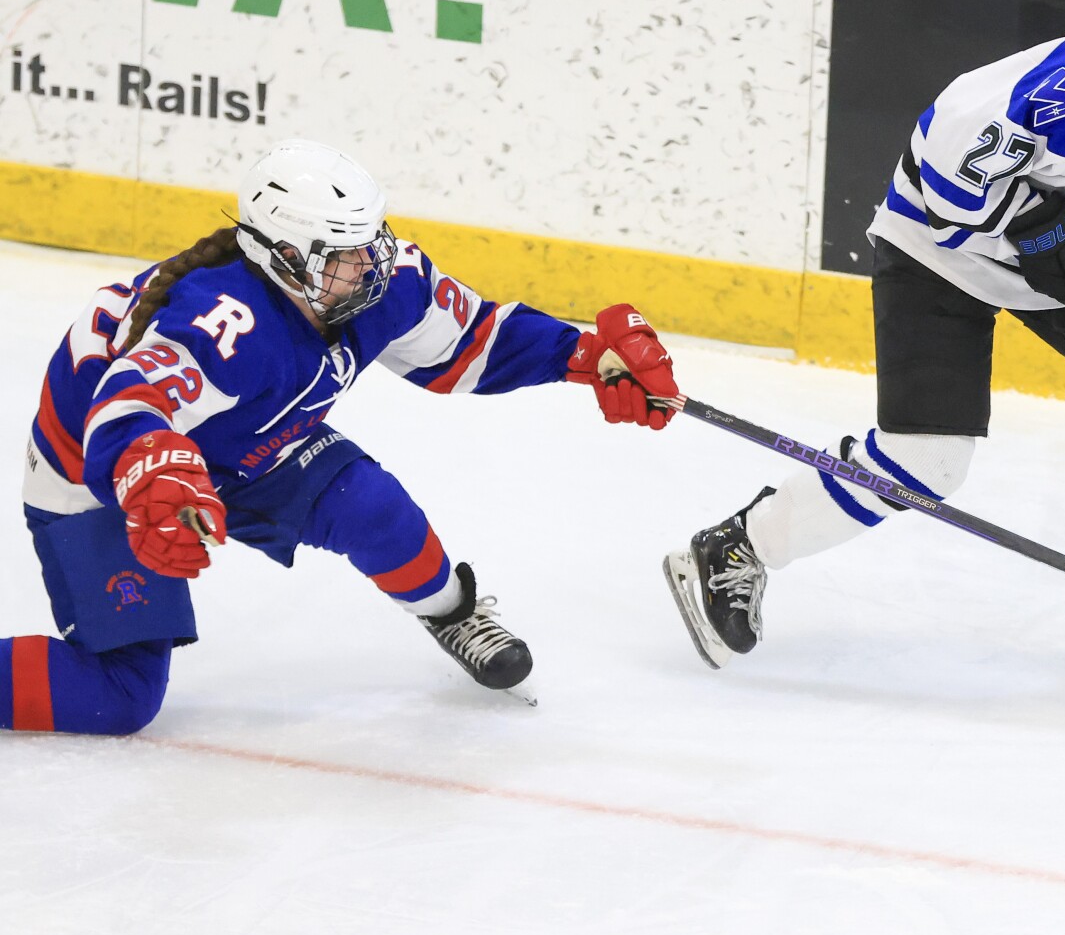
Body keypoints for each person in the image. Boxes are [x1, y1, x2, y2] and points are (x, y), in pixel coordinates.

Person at [665, 0, 1065, 668]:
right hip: (943, 249)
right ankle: (737, 547)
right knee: (926, 460)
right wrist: (1038, 225)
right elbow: (944, 148)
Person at [3, 139, 678, 734]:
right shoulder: (225, 324)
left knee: (372, 507)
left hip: (246, 440)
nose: (370, 262)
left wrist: (588, 358)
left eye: (370, 238)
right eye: (343, 251)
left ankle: (452, 614)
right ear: (285, 258)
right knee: (121, 697)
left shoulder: (376, 282)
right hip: (97, 468)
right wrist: (155, 472)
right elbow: (125, 408)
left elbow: (471, 341)